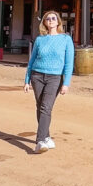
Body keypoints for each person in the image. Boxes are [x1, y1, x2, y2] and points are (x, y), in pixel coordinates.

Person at [23, 10, 74, 154]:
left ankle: (39, 141)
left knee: (46, 107)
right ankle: (46, 137)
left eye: (53, 18)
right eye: (48, 19)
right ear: (44, 22)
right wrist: (27, 80)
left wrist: (66, 83)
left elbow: (69, 63)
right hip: (37, 76)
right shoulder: (40, 39)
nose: (51, 20)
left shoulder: (65, 39)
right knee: (40, 107)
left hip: (55, 78)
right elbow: (32, 61)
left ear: (58, 21)